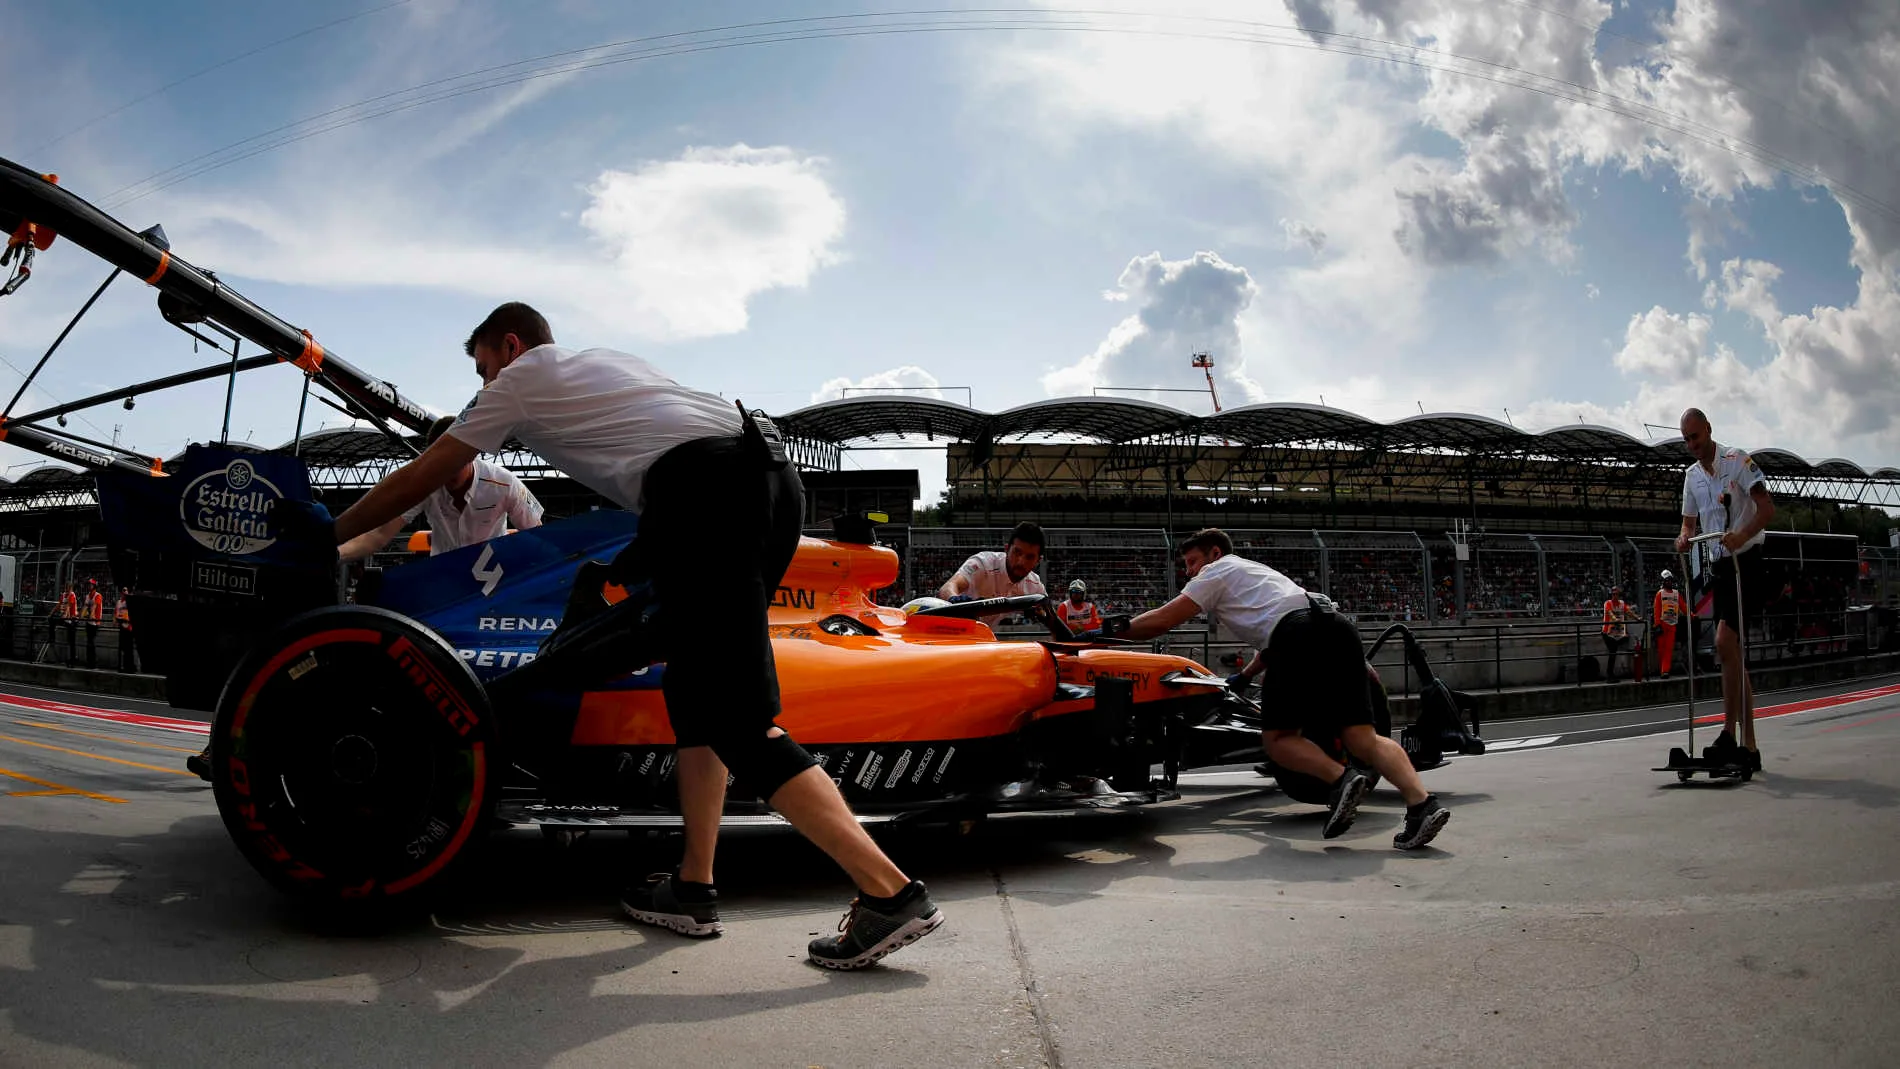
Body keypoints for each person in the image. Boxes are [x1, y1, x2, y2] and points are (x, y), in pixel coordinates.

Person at [326, 302, 941, 969]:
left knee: (736, 716)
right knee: (697, 692)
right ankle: (694, 885)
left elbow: (420, 470)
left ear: (510, 345)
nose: (481, 386)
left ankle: (889, 893)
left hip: (703, 491)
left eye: (481, 367)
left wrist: (323, 539)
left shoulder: (522, 380)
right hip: (766, 479)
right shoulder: (605, 366)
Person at [1100, 528, 1449, 850]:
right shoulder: (1257, 573)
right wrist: (1247, 676)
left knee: (1279, 740)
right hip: (1338, 629)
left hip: (1297, 636)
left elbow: (1163, 620)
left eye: (1192, 562)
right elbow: (1279, 628)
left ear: (1214, 553)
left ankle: (1341, 778)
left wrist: (1108, 632)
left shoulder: (1216, 571)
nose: (1189, 572)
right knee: (1363, 738)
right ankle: (1422, 804)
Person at [1675, 407, 1776, 770]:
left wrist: (1741, 535)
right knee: (1731, 652)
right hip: (1719, 565)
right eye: (1686, 439)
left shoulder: (1738, 462)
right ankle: (1749, 745)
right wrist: (1684, 539)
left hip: (1746, 560)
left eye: (1696, 437)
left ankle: (1728, 734)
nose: (1691, 445)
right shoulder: (1691, 477)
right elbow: (1687, 524)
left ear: (1709, 431)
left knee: (1722, 643)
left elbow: (1767, 509)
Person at [337, 415, 544, 561]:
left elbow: (538, 537)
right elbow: (378, 535)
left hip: (493, 582)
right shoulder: (424, 485)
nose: (446, 471)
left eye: (454, 461)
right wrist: (334, 555)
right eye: (440, 464)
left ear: (471, 453)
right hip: (443, 583)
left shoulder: (505, 483)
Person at [936, 521, 1047, 625]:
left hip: (979, 636)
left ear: (1038, 560)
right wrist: (955, 601)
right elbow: (948, 587)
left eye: (1030, 557)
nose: (1021, 561)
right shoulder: (983, 563)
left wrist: (1041, 615)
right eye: (1017, 552)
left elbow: (1051, 619)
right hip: (944, 628)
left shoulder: (1035, 586)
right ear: (1007, 549)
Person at [1652, 570, 1683, 677]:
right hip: (1662, 624)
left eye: (1670, 580)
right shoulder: (1659, 594)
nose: (1669, 582)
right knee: (1661, 649)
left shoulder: (1676, 593)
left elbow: (1683, 606)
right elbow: (1656, 610)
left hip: (1672, 625)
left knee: (1668, 649)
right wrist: (1657, 624)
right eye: (1667, 580)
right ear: (1663, 581)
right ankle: (1663, 669)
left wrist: (1692, 615)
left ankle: (1665, 670)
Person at [1600, 585, 1633, 682]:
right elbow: (1610, 613)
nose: (1614, 596)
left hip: (1616, 633)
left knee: (1613, 652)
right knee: (1612, 652)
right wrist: (1615, 619)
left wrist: (1637, 618)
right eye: (1613, 594)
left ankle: (1610, 674)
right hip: (1607, 633)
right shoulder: (1608, 603)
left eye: (1616, 594)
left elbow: (1628, 611)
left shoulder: (1621, 604)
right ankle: (1609, 675)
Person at [81, 579, 104, 668]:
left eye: (91, 584)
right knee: (89, 642)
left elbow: (94, 607)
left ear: (94, 586)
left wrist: (91, 615)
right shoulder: (88, 596)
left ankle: (93, 662)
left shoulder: (98, 595)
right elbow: (85, 607)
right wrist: (81, 616)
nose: (89, 586)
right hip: (89, 621)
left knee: (91, 642)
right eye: (89, 584)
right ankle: (89, 661)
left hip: (95, 622)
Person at [55, 583, 78, 666]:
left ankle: (72, 659)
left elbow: (69, 606)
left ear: (71, 588)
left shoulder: (72, 595)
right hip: (65, 619)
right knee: (53, 621)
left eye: (68, 588)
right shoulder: (64, 594)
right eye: (66, 588)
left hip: (72, 619)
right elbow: (59, 604)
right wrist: (51, 613)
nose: (67, 590)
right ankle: (52, 638)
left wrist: (65, 615)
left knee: (71, 641)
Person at [114, 588, 137, 673]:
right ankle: (122, 666)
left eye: (125, 590)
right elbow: (116, 613)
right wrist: (116, 619)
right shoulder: (119, 602)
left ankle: (130, 667)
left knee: (129, 649)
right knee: (122, 648)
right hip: (122, 627)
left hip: (129, 627)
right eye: (123, 590)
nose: (124, 592)